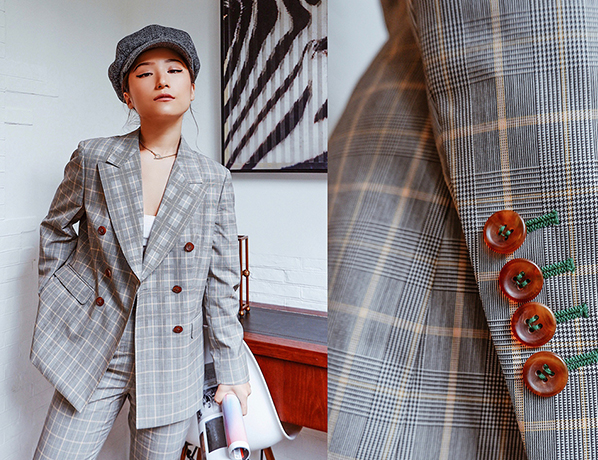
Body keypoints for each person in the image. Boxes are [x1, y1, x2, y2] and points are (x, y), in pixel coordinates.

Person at [30, 24, 250, 459]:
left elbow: (222, 280)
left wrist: (231, 368)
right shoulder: (94, 156)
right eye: (145, 73)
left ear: (192, 88)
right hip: (95, 345)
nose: (162, 80)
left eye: (175, 69)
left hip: (171, 359)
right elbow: (55, 228)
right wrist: (61, 296)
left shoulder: (213, 179)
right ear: (127, 95)